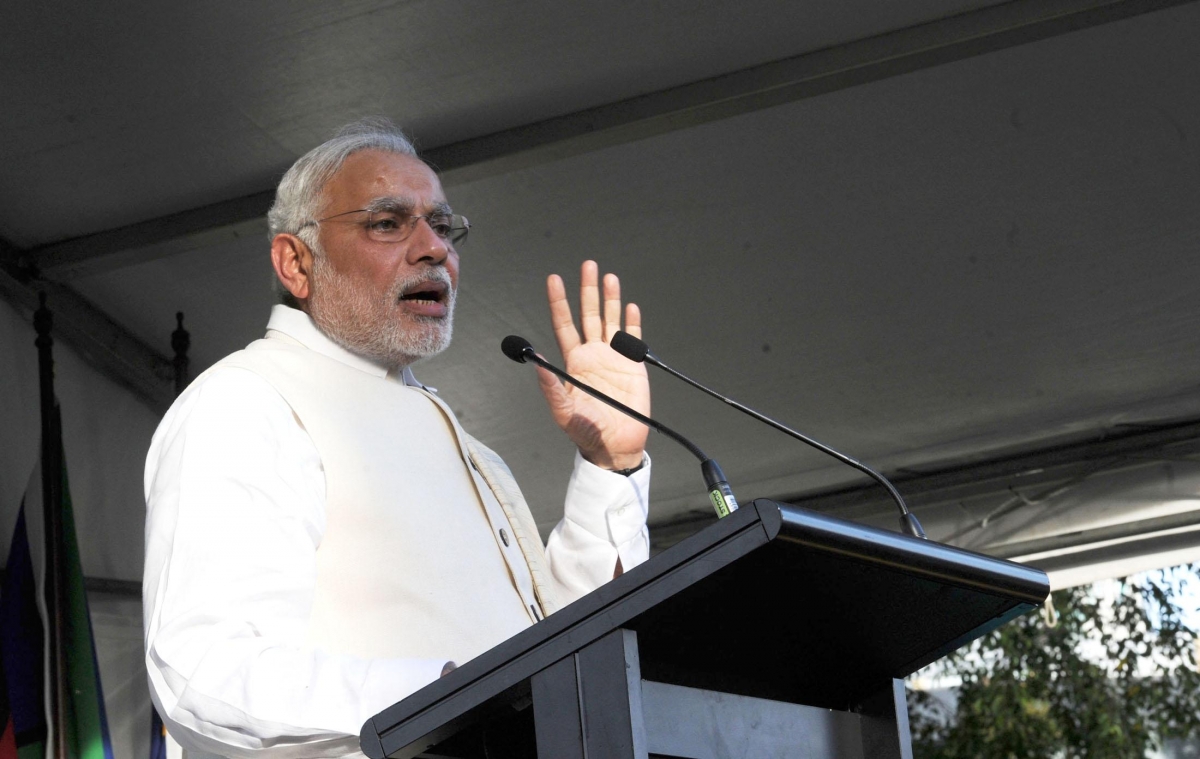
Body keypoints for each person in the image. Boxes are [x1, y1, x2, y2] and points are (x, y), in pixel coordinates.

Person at [142, 118, 652, 758]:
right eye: (387, 223)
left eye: (441, 225)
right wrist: (447, 698)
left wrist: (610, 464)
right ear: (296, 263)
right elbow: (205, 669)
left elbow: (567, 656)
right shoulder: (247, 401)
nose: (433, 248)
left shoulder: (463, 443)